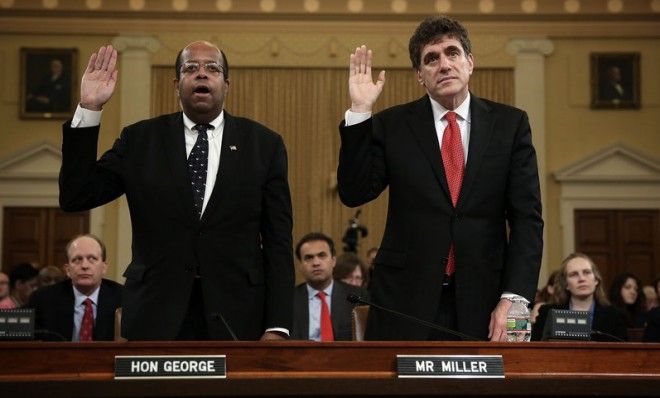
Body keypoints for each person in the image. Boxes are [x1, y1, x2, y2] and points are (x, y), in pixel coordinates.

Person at [59, 42, 294, 340]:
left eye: (212, 68)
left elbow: (278, 242)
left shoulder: (264, 145)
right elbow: (77, 195)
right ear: (176, 84)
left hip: (238, 315)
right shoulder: (140, 140)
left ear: (226, 84)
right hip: (156, 314)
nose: (201, 74)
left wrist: (278, 324)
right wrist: (90, 108)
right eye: (190, 68)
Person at [337, 16, 543, 341]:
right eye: (431, 58)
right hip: (406, 301)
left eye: (452, 53)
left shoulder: (510, 125)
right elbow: (354, 191)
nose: (444, 64)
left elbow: (527, 220)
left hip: (485, 301)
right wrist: (361, 111)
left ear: (470, 62)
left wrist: (513, 297)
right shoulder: (393, 125)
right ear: (420, 75)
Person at [27, 235, 122, 341]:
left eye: (92, 259)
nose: (85, 266)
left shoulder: (123, 298)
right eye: (77, 259)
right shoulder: (43, 299)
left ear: (103, 268)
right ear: (67, 270)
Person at [531, 253, 628, 342]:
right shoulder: (547, 313)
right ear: (566, 284)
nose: (581, 279)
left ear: (596, 280)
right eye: (574, 274)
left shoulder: (615, 316)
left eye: (586, 272)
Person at [291, 233, 367, 341]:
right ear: (300, 266)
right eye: (309, 258)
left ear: (333, 261)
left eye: (322, 255)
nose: (316, 262)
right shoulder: (289, 300)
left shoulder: (357, 297)